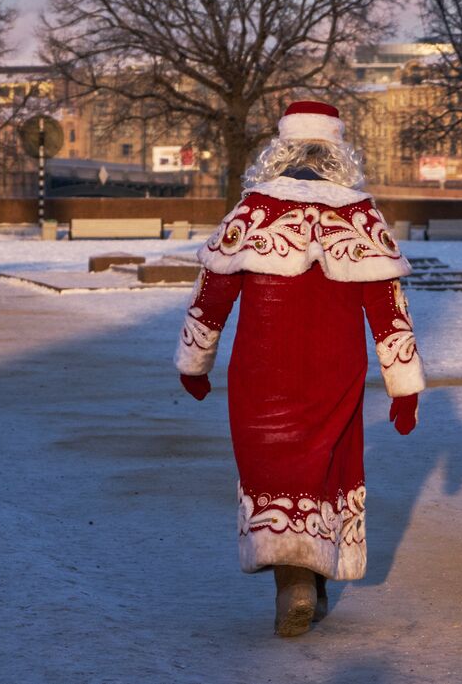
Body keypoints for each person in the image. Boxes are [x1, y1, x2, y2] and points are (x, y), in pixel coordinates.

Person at [174, 100, 426, 638]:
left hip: (262, 372)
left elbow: (212, 292)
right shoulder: (359, 216)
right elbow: (388, 308)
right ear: (338, 152)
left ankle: (293, 581)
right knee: (326, 468)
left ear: (280, 150)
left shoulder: (254, 211)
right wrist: (403, 385)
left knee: (275, 475)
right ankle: (312, 579)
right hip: (335, 370)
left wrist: (195, 361)